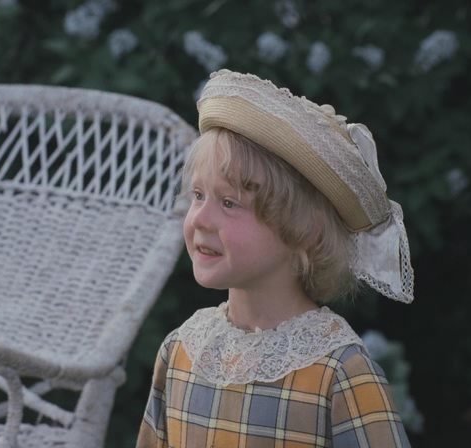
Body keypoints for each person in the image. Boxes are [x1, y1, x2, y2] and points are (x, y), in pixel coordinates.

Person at [136, 69, 415, 447]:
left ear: (306, 230)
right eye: (198, 195)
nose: (199, 218)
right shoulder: (183, 351)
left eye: (229, 202)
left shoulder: (338, 371)